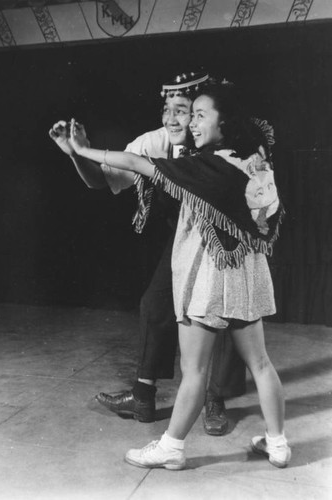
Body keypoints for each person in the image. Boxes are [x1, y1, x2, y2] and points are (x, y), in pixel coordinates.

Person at [67, 79, 292, 470]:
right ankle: (277, 444)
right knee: (260, 362)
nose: (192, 124)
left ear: (225, 122)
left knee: (194, 370)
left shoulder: (209, 166)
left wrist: (83, 149)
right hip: (248, 275)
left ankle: (171, 446)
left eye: (200, 115)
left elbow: (139, 164)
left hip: (212, 277)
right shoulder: (253, 156)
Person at [49, 72, 246, 435]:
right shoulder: (155, 141)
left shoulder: (222, 147)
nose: (172, 119)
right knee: (155, 304)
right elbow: (103, 178)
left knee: (222, 312)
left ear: (203, 116)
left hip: (224, 239)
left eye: (183, 111)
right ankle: (143, 396)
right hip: (184, 235)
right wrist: (76, 152)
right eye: (167, 110)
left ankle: (214, 399)